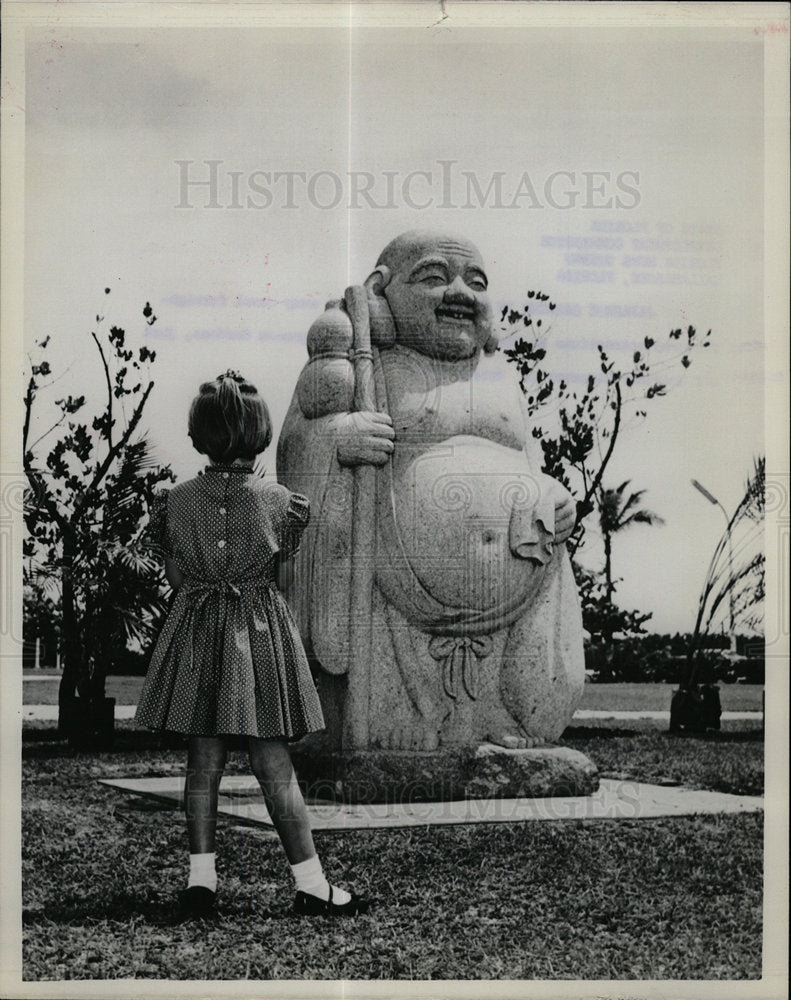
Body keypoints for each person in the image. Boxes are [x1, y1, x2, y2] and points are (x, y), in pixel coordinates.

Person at [134, 370, 369, 918]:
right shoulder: (278, 501)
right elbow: (279, 563)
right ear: (260, 434)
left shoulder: (175, 502)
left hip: (196, 634)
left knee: (203, 762)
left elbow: (174, 576)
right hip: (258, 638)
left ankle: (202, 883)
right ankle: (311, 884)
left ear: (198, 436)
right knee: (273, 761)